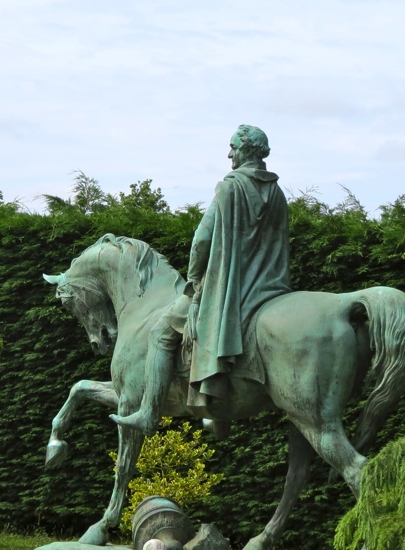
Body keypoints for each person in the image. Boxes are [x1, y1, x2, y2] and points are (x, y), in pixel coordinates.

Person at [112, 125, 291, 434]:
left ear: (246, 150)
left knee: (161, 333)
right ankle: (215, 413)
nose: (229, 153)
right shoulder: (276, 192)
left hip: (227, 289)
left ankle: (148, 413)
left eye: (233, 147)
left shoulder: (229, 187)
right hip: (268, 288)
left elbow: (201, 240)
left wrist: (194, 282)